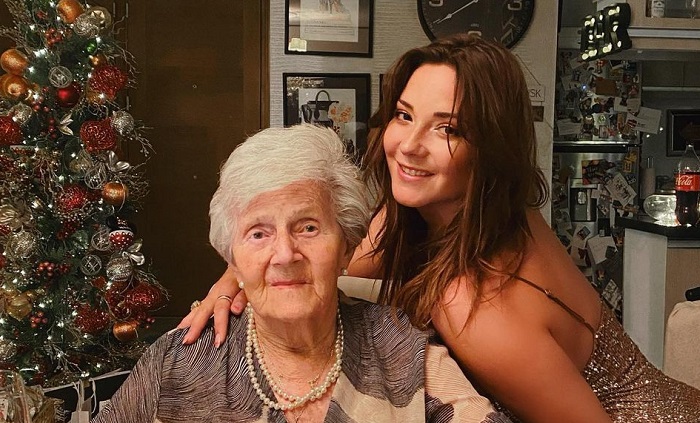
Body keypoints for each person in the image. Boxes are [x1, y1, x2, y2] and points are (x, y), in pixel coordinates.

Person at [181, 35, 700, 422]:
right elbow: (316, 253)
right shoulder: (471, 214)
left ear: (488, 148)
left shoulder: (474, 307)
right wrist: (231, 280)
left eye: (447, 128)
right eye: (405, 115)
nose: (409, 145)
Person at [93, 125, 509, 422]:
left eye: (308, 227)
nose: (284, 254)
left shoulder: (402, 347)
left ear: (346, 246)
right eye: (258, 233)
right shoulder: (179, 362)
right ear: (233, 259)